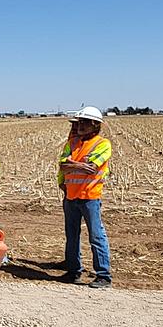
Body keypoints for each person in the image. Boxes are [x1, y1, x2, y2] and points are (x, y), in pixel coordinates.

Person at [58, 106, 114, 289]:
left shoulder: (102, 144)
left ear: (96, 125)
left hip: (90, 197)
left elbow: (92, 166)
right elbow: (62, 165)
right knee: (71, 236)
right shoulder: (72, 144)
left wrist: (71, 164)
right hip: (71, 196)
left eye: (84, 122)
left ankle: (103, 275)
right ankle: (73, 271)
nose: (80, 125)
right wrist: (77, 165)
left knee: (96, 236)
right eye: (79, 122)